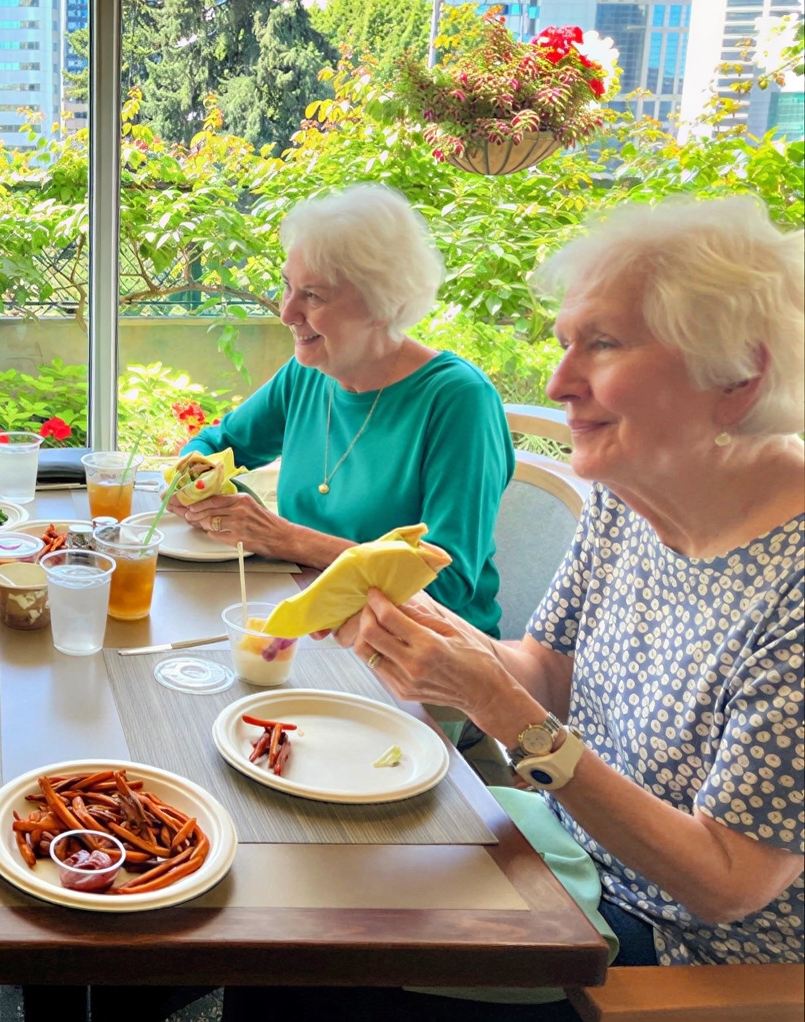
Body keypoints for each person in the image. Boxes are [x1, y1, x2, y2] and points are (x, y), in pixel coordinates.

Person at [232, 196, 803, 1019]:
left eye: (601, 344)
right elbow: (548, 670)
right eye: (568, 341)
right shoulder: (634, 497)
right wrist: (426, 629)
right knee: (285, 894)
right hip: (551, 851)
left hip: (667, 953)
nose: (558, 380)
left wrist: (510, 716)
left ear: (740, 375)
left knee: (301, 961)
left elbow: (726, 883)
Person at [176, 185, 514, 636]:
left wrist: (287, 538)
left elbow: (444, 586)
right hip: (313, 621)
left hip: (426, 657)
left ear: (383, 303)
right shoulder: (310, 374)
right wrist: (193, 484)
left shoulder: (457, 401)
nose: (286, 313)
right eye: (287, 286)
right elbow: (217, 444)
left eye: (313, 296)